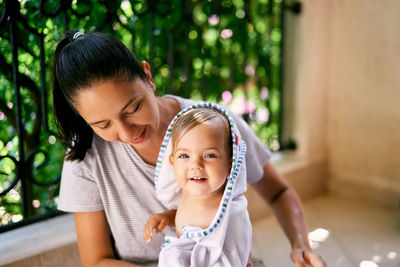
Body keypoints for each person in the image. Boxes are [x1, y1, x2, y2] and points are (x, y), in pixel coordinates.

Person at [53, 30, 326, 267]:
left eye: (133, 108)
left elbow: (278, 191)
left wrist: (301, 244)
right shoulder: (85, 158)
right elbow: (96, 260)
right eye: (102, 125)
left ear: (147, 76)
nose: (126, 132)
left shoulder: (216, 126)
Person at [143, 105, 251, 266]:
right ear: (172, 162)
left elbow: (233, 254)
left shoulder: (231, 211)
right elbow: (187, 220)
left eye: (209, 155)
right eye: (184, 155)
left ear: (230, 165)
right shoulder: (187, 193)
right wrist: (167, 217)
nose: (196, 165)